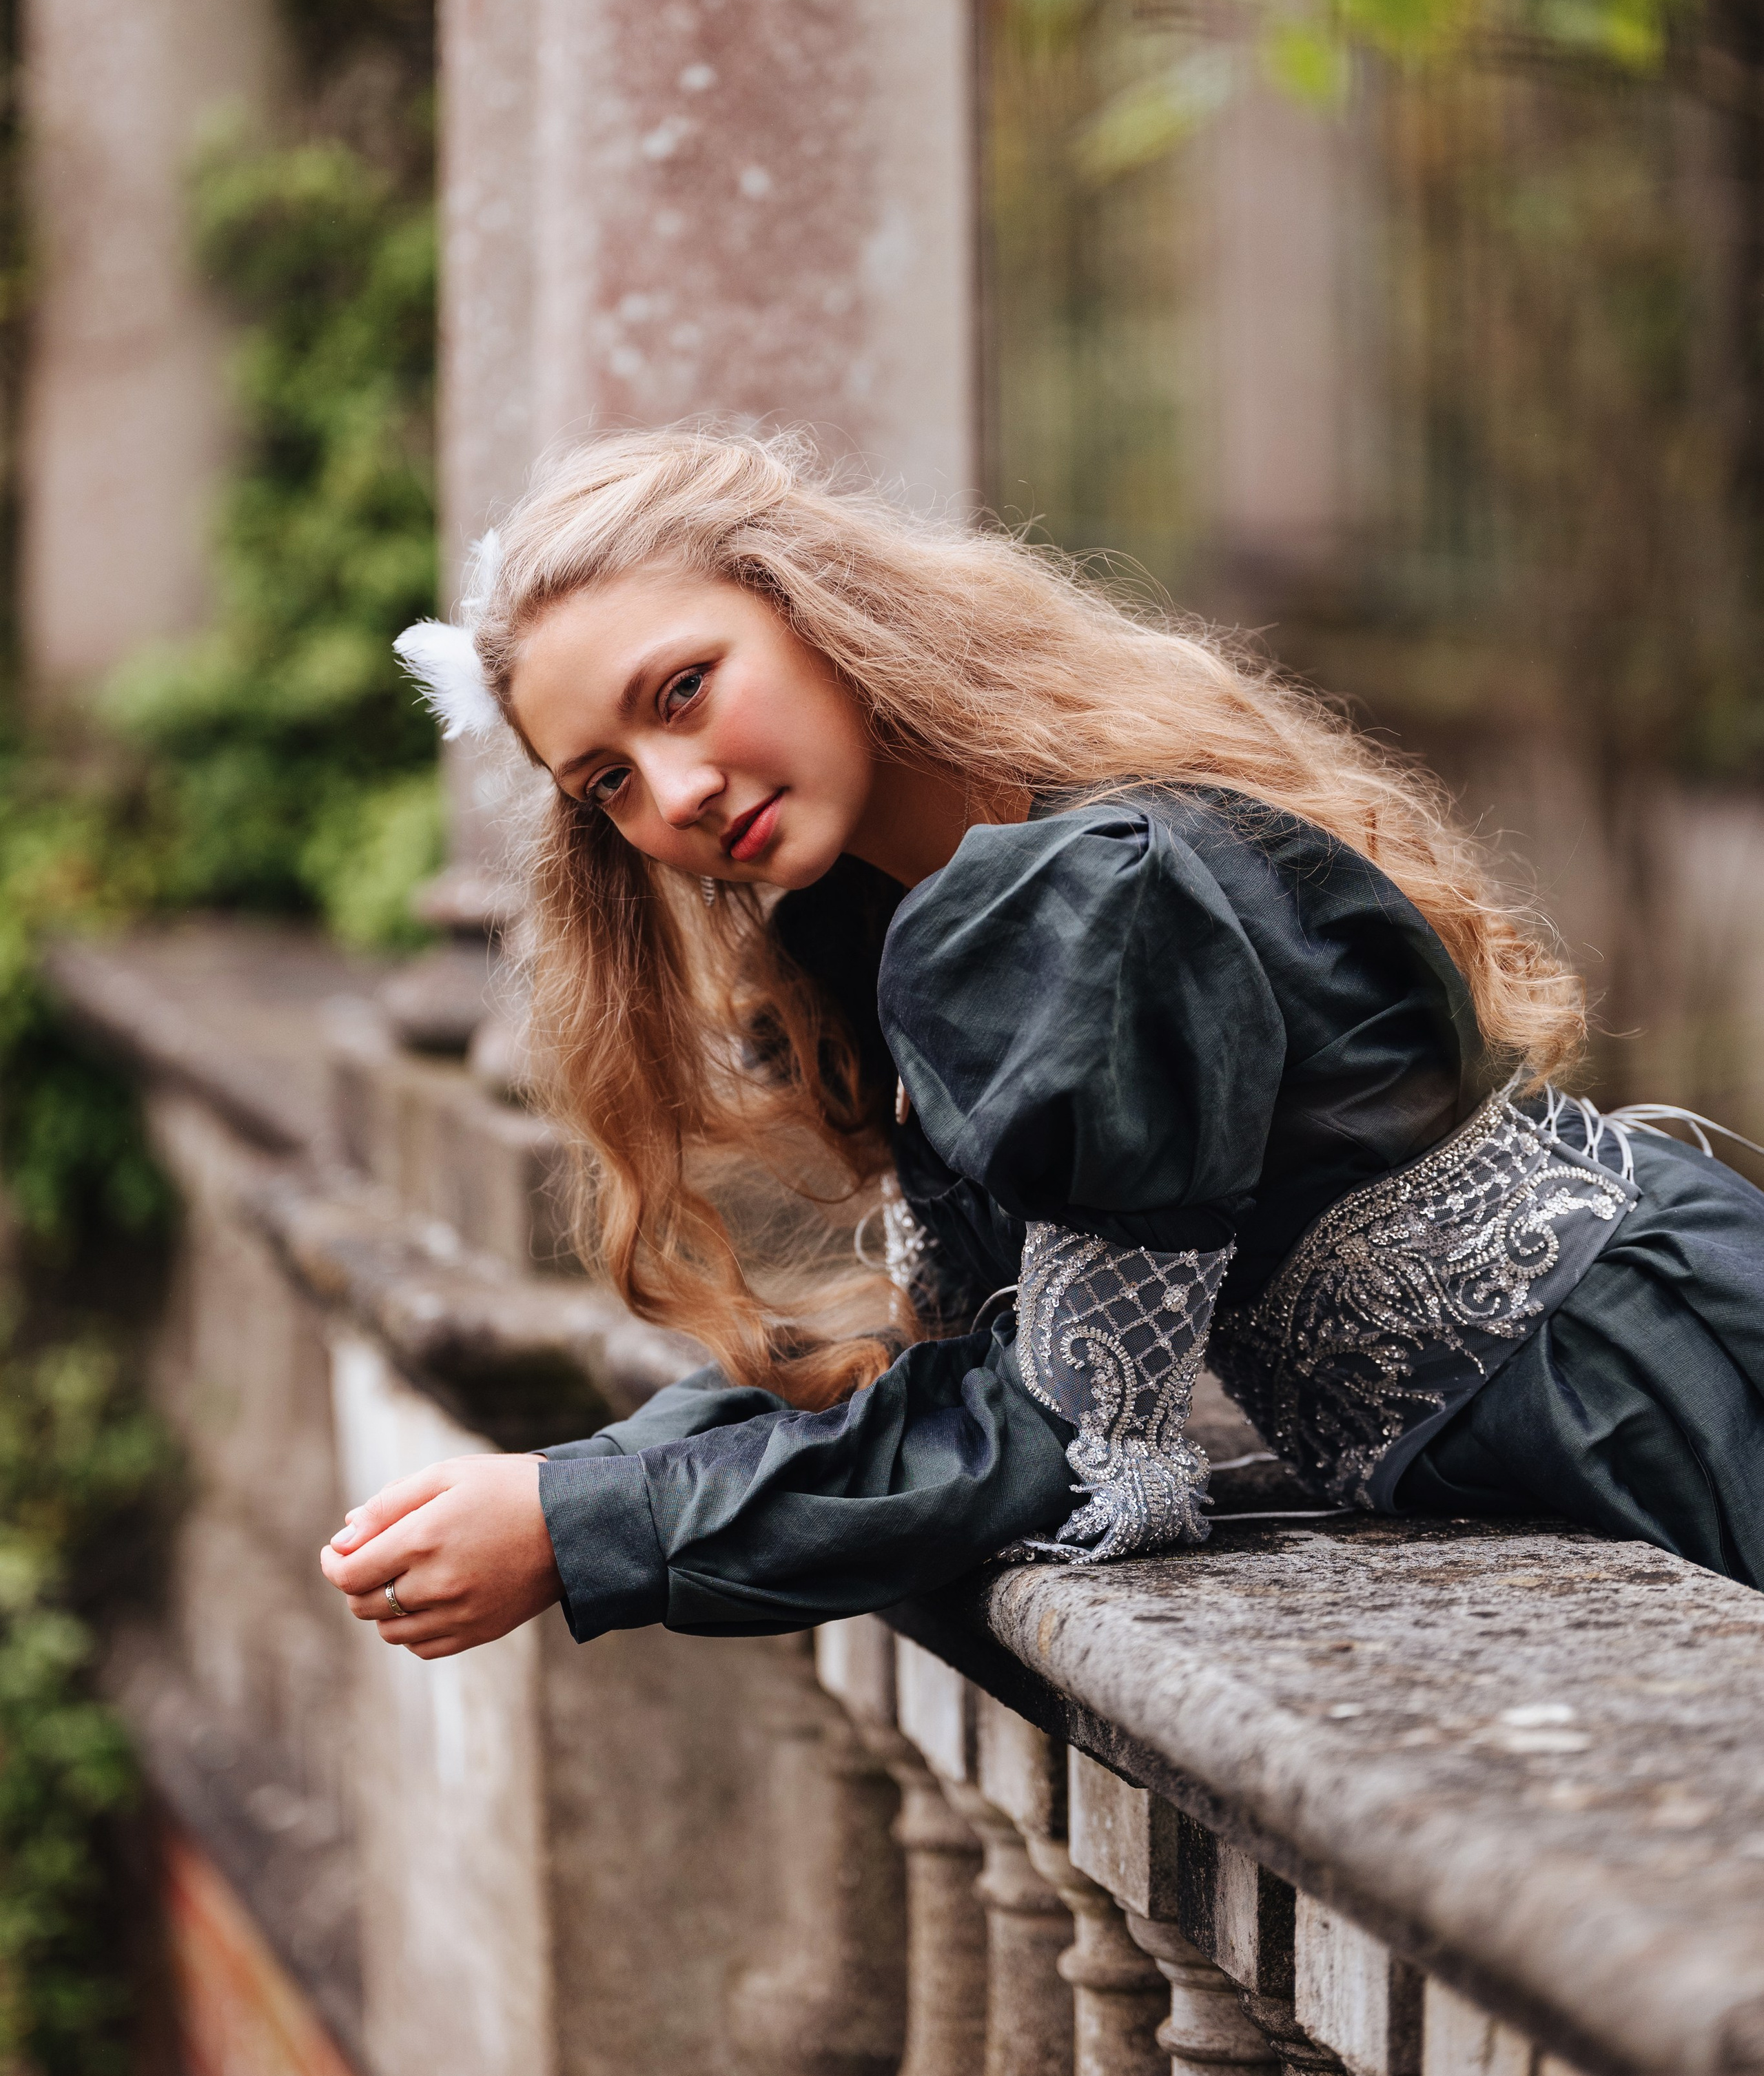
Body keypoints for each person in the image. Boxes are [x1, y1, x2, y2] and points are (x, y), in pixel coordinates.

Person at [319, 429, 1764, 1660]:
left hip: (1640, 1391)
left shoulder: (1083, 892)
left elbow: (1064, 1420)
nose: (677, 790)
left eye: (683, 688)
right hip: (1559, 1417)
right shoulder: (886, 924)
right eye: (607, 779)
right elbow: (949, 1353)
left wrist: (584, 1531)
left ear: (813, 610)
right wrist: (580, 1477)